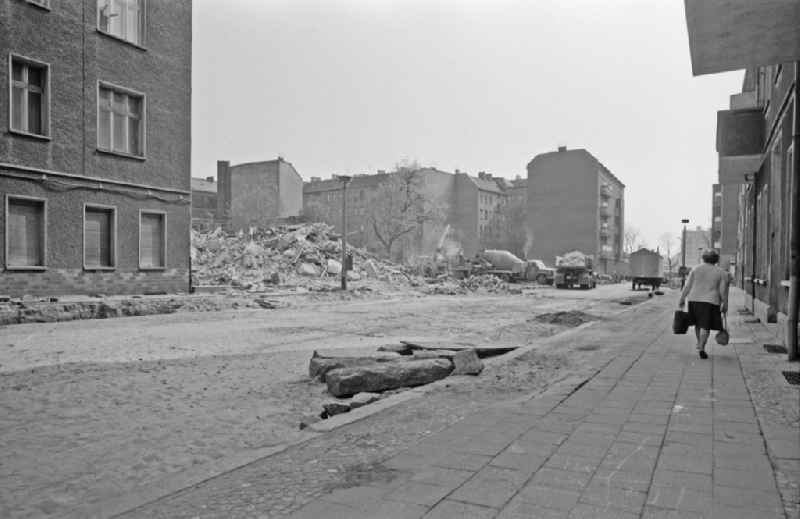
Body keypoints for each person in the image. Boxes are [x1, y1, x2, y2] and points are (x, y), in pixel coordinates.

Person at [678, 249, 729, 359]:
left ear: (703, 258)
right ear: (716, 259)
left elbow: (687, 286)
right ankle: (701, 346)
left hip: (694, 300)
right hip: (711, 301)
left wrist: (682, 298)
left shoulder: (695, 269)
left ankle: (700, 344)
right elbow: (722, 290)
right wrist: (725, 303)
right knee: (706, 325)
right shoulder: (721, 272)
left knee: (697, 324)